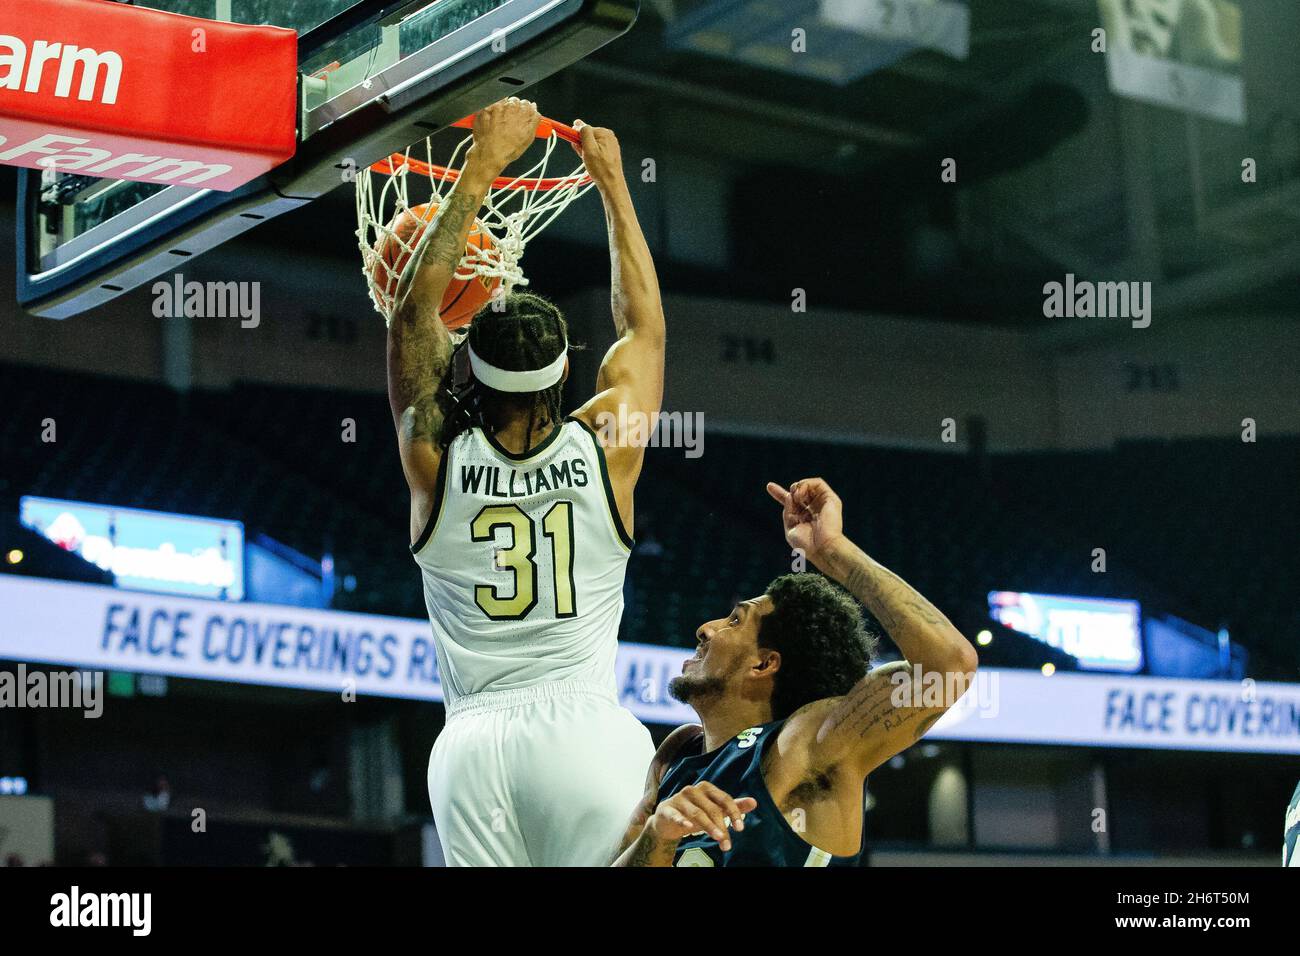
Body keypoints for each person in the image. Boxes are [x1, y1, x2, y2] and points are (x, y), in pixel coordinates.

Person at [382, 97, 666, 865]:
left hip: (470, 749)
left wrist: (480, 167)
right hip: (584, 736)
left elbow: (411, 320)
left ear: (468, 366)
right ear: (567, 369)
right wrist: (612, 183)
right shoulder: (610, 445)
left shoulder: (432, 456)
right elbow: (643, 328)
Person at [613, 478, 978, 866]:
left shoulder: (802, 743)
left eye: (735, 621)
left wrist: (832, 552)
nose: (706, 628)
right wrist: (658, 837)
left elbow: (950, 666)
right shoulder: (677, 753)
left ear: (764, 664)